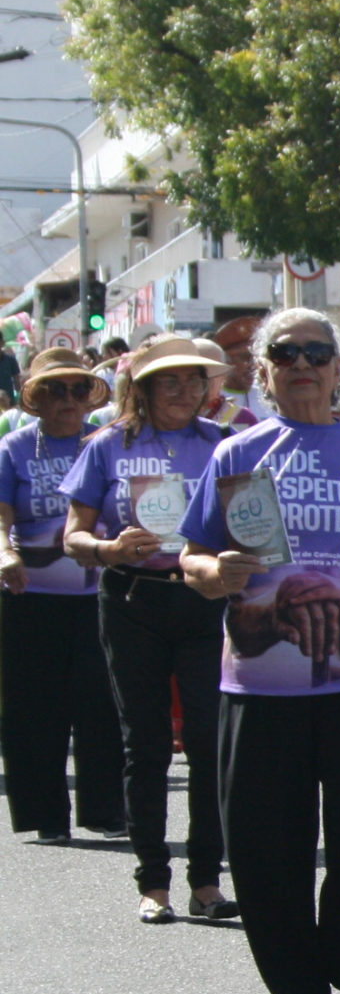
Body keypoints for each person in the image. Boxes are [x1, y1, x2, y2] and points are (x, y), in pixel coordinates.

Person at [177, 309, 340, 994]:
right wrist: (214, 570)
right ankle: (296, 983)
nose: (303, 363)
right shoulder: (237, 456)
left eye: (318, 352)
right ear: (264, 369)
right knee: (265, 841)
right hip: (260, 683)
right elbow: (190, 558)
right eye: (287, 352)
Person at [62, 334, 236, 926]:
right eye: (170, 380)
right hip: (132, 599)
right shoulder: (107, 446)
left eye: (195, 380)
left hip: (204, 602)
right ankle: (153, 881)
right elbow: (73, 536)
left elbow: (250, 522)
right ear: (143, 386)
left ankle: (207, 880)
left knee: (212, 742)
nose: (185, 391)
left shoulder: (225, 445)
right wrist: (108, 548)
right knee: (147, 744)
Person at [0, 348, 125, 845]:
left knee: (103, 701)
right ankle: (45, 813)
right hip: (29, 595)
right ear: (34, 398)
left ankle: (105, 809)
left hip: (100, 593)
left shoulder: (106, 444)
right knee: (34, 706)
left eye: (77, 389)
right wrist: (4, 555)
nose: (67, 400)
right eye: (54, 389)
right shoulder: (12, 448)